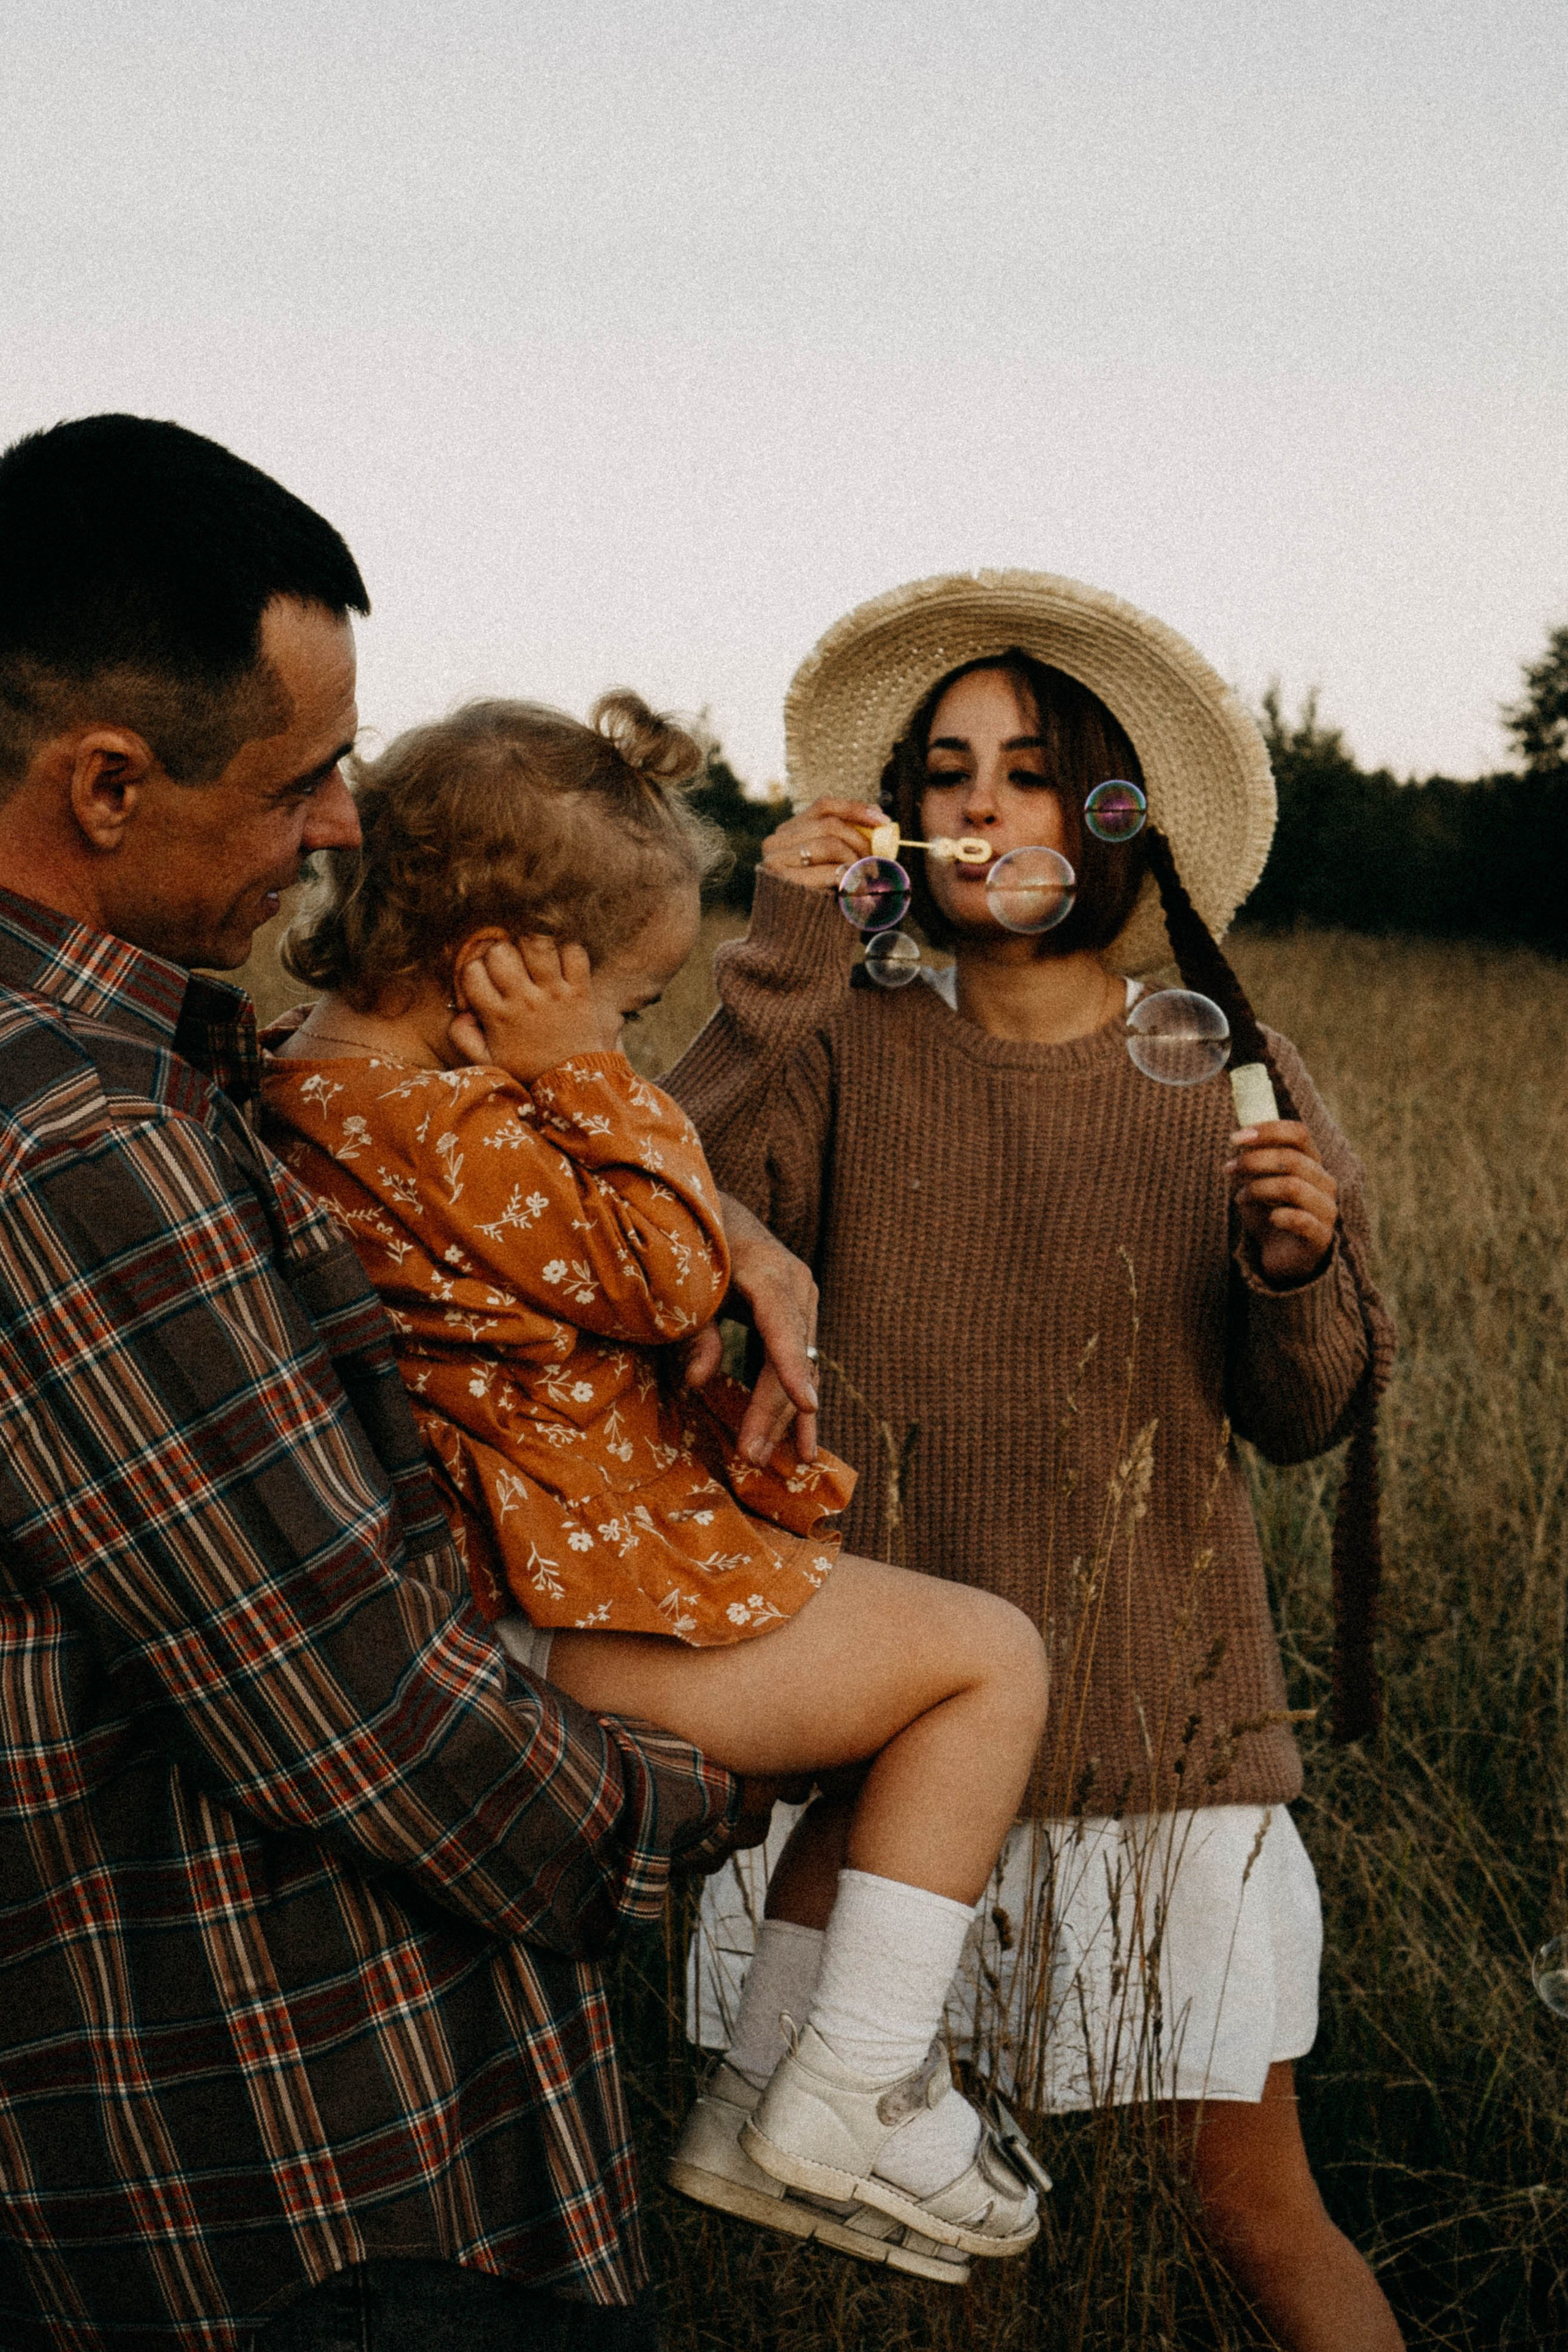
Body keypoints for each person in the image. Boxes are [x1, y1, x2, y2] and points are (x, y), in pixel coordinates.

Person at [0, 411, 815, 2352]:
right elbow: (338, 1697)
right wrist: (687, 1798)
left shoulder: (187, 1063)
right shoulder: (70, 1139)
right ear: (106, 784)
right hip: (301, 2184)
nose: (348, 827)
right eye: (307, 779)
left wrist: (730, 1236)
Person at [667, 571, 1404, 2351]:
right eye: (943, 771)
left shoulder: (1224, 1067)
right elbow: (656, 1229)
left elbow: (1309, 1417)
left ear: (1112, 817)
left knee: (1244, 2205)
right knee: (830, 2235)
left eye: (1027, 769)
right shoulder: (840, 1046)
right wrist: (780, 951)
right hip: (873, 1767)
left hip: (1169, 1744)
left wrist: (1296, 1268)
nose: (977, 804)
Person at [261, 693, 1051, 2290]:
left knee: (881, 1745)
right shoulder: (430, 1121)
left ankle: (773, 2097)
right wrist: (595, 1088)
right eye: (621, 1013)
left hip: (538, 1580)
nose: (619, 1051)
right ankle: (851, 2088)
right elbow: (653, 1268)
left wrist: (572, 1085)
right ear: (501, 965)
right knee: (989, 1663)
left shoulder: (325, 1086)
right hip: (563, 1612)